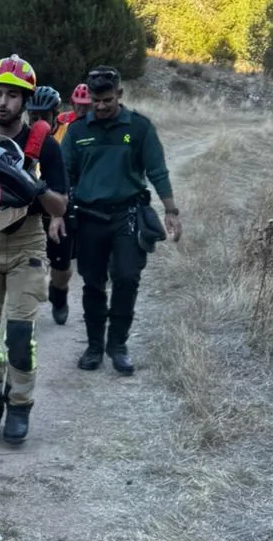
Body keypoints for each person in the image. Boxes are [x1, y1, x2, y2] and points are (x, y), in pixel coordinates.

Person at [0, 55, 68, 446]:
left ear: (26, 100)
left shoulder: (45, 147)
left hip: (26, 242)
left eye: (12, 95)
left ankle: (20, 405)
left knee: (20, 336)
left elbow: (60, 206)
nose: (3, 102)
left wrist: (33, 185)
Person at [62, 65, 182, 375]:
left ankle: (118, 346)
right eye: (95, 101)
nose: (101, 107)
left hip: (127, 216)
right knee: (93, 283)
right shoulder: (77, 131)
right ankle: (94, 347)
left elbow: (157, 170)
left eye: (107, 100)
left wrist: (171, 210)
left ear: (120, 94)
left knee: (127, 278)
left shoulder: (140, 128)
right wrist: (57, 215)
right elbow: (63, 175)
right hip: (89, 218)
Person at [26, 85, 74, 325]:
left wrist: (58, 215)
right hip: (32, 209)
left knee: (61, 266)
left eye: (43, 116)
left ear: (55, 114)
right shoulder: (23, 136)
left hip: (62, 204)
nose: (38, 122)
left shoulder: (68, 136)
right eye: (33, 116)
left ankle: (60, 293)